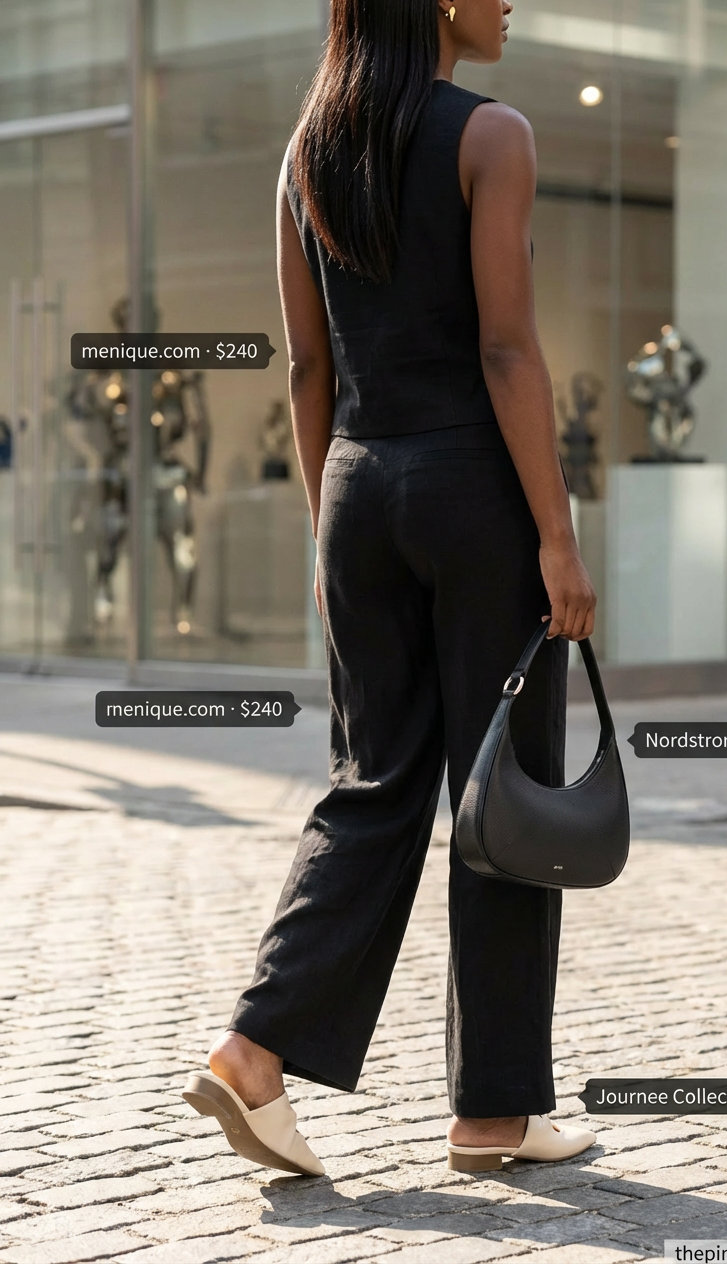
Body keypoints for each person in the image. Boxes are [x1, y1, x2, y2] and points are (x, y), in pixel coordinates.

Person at [182, 0, 598, 1178]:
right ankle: (494, 1111)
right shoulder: (490, 136)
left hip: (359, 486)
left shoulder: (305, 151)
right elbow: (506, 351)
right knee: (503, 790)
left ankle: (252, 1054)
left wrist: (326, 531)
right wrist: (557, 538)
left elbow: (307, 364)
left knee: (371, 784)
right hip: (475, 499)